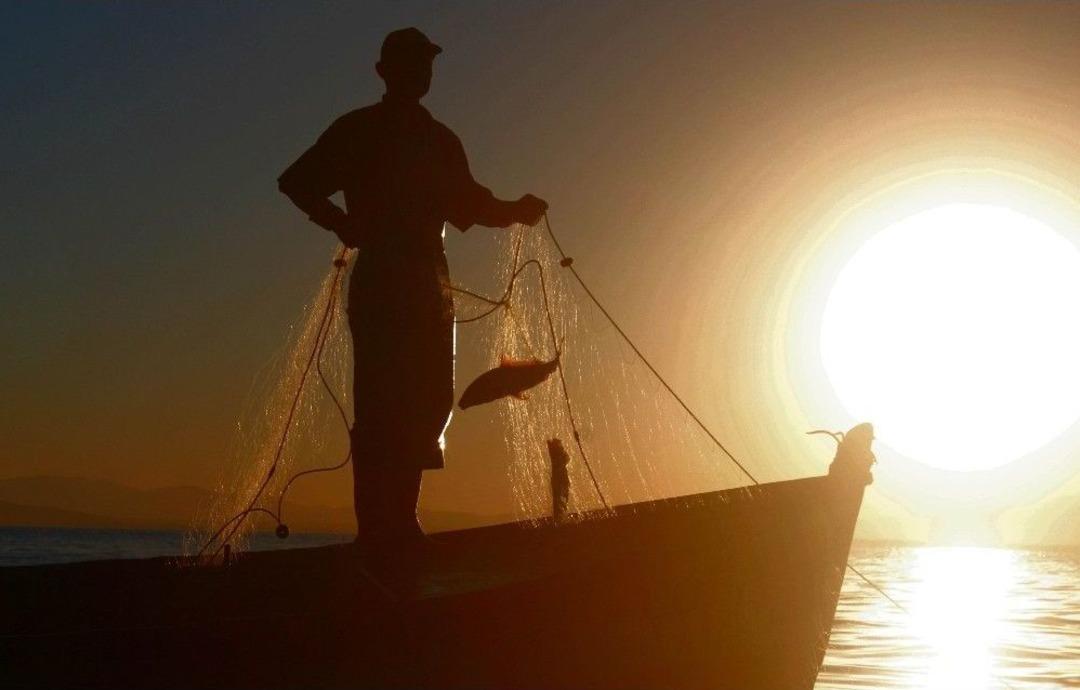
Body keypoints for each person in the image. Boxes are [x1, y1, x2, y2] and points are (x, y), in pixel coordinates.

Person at [278, 28, 547, 545]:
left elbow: (470, 203)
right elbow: (296, 181)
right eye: (410, 65)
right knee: (381, 404)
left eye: (426, 65)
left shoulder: (439, 140)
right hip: (382, 278)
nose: (420, 74)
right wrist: (340, 222)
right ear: (385, 72)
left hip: (430, 283)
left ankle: (402, 519)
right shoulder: (357, 131)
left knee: (429, 402)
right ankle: (376, 530)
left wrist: (514, 211)